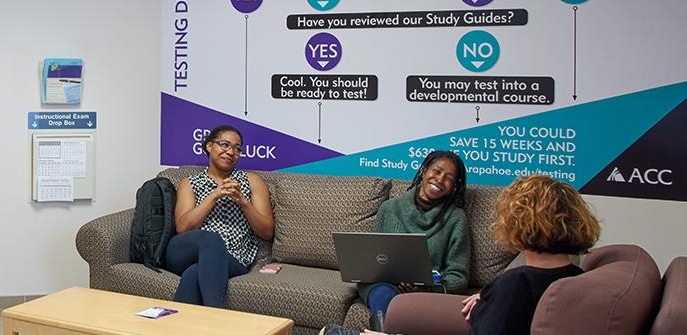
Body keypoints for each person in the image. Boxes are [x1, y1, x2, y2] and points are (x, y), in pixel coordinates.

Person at [319, 175, 601, 335]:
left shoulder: (514, 284)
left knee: (330, 333)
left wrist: (495, 294)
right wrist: (488, 296)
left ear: (516, 222)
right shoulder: (576, 277)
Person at [357, 150, 470, 331]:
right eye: (437, 171)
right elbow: (374, 259)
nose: (440, 180)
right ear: (424, 170)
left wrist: (430, 288)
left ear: (453, 186)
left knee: (404, 303)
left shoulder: (456, 218)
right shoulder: (389, 208)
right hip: (383, 285)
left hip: (426, 291)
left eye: (449, 178)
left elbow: (459, 275)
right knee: (383, 294)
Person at [166, 125, 274, 308]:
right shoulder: (190, 182)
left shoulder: (251, 181)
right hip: (186, 251)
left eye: (237, 148)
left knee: (194, 274)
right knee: (211, 239)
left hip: (234, 258)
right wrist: (214, 195)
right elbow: (183, 227)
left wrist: (243, 201)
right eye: (224, 145)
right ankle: (218, 317)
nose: (230, 152)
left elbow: (267, 232)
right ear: (209, 146)